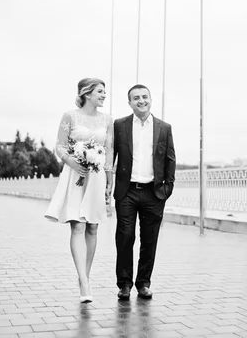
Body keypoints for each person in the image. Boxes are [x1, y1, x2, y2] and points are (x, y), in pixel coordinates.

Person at [44, 78, 114, 303]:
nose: (104, 95)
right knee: (78, 225)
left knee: (92, 227)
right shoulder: (70, 116)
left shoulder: (107, 120)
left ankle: (86, 273)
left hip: (97, 177)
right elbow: (60, 145)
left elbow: (109, 151)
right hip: (75, 174)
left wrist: (109, 180)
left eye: (105, 92)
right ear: (87, 93)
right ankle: (84, 281)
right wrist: (72, 162)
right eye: (100, 91)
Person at [111, 84, 176, 300]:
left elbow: (170, 159)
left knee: (149, 240)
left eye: (144, 97)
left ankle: (144, 283)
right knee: (125, 237)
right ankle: (124, 284)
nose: (141, 101)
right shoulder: (119, 125)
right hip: (127, 191)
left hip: (153, 193)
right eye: (136, 98)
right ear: (129, 102)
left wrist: (167, 188)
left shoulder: (164, 127)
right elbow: (111, 156)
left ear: (151, 99)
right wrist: (105, 184)